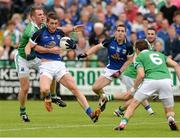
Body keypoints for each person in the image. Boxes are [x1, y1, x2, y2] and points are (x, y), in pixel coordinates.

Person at [25, 12, 100, 123]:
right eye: (51, 23)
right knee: (44, 89)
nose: (54, 26)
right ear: (47, 23)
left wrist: (73, 43)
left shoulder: (59, 32)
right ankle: (47, 97)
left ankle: (91, 113)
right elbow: (29, 46)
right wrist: (28, 55)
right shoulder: (39, 33)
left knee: (74, 89)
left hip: (59, 64)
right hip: (45, 65)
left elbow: (66, 33)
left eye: (56, 23)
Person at [14, 6, 83, 122]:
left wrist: (72, 29)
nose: (42, 16)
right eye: (39, 15)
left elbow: (58, 28)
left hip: (35, 56)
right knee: (25, 88)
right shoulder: (31, 29)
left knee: (52, 66)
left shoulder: (43, 25)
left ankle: (53, 96)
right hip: (23, 58)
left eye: (43, 14)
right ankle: (23, 111)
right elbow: (34, 47)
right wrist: (51, 50)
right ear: (32, 17)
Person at [114, 39, 180, 131]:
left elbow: (141, 75)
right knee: (169, 111)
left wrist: (133, 88)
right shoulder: (160, 54)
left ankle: (122, 123)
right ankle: (170, 119)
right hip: (166, 81)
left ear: (137, 49)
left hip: (151, 81)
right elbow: (176, 65)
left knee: (133, 104)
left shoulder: (139, 57)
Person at [102, 27, 158, 117]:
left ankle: (119, 110)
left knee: (136, 96)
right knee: (137, 95)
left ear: (155, 36)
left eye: (152, 34)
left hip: (135, 74)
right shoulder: (143, 44)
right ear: (146, 35)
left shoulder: (150, 46)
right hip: (131, 74)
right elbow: (137, 59)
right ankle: (109, 98)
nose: (150, 36)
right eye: (149, 34)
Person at [78, 24, 134, 110]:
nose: (120, 33)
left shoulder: (129, 46)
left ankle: (121, 110)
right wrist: (86, 54)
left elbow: (129, 60)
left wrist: (120, 71)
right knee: (95, 88)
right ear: (115, 32)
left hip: (124, 70)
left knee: (132, 94)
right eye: (118, 31)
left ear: (125, 33)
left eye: (122, 31)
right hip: (111, 68)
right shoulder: (110, 40)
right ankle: (104, 97)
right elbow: (97, 47)